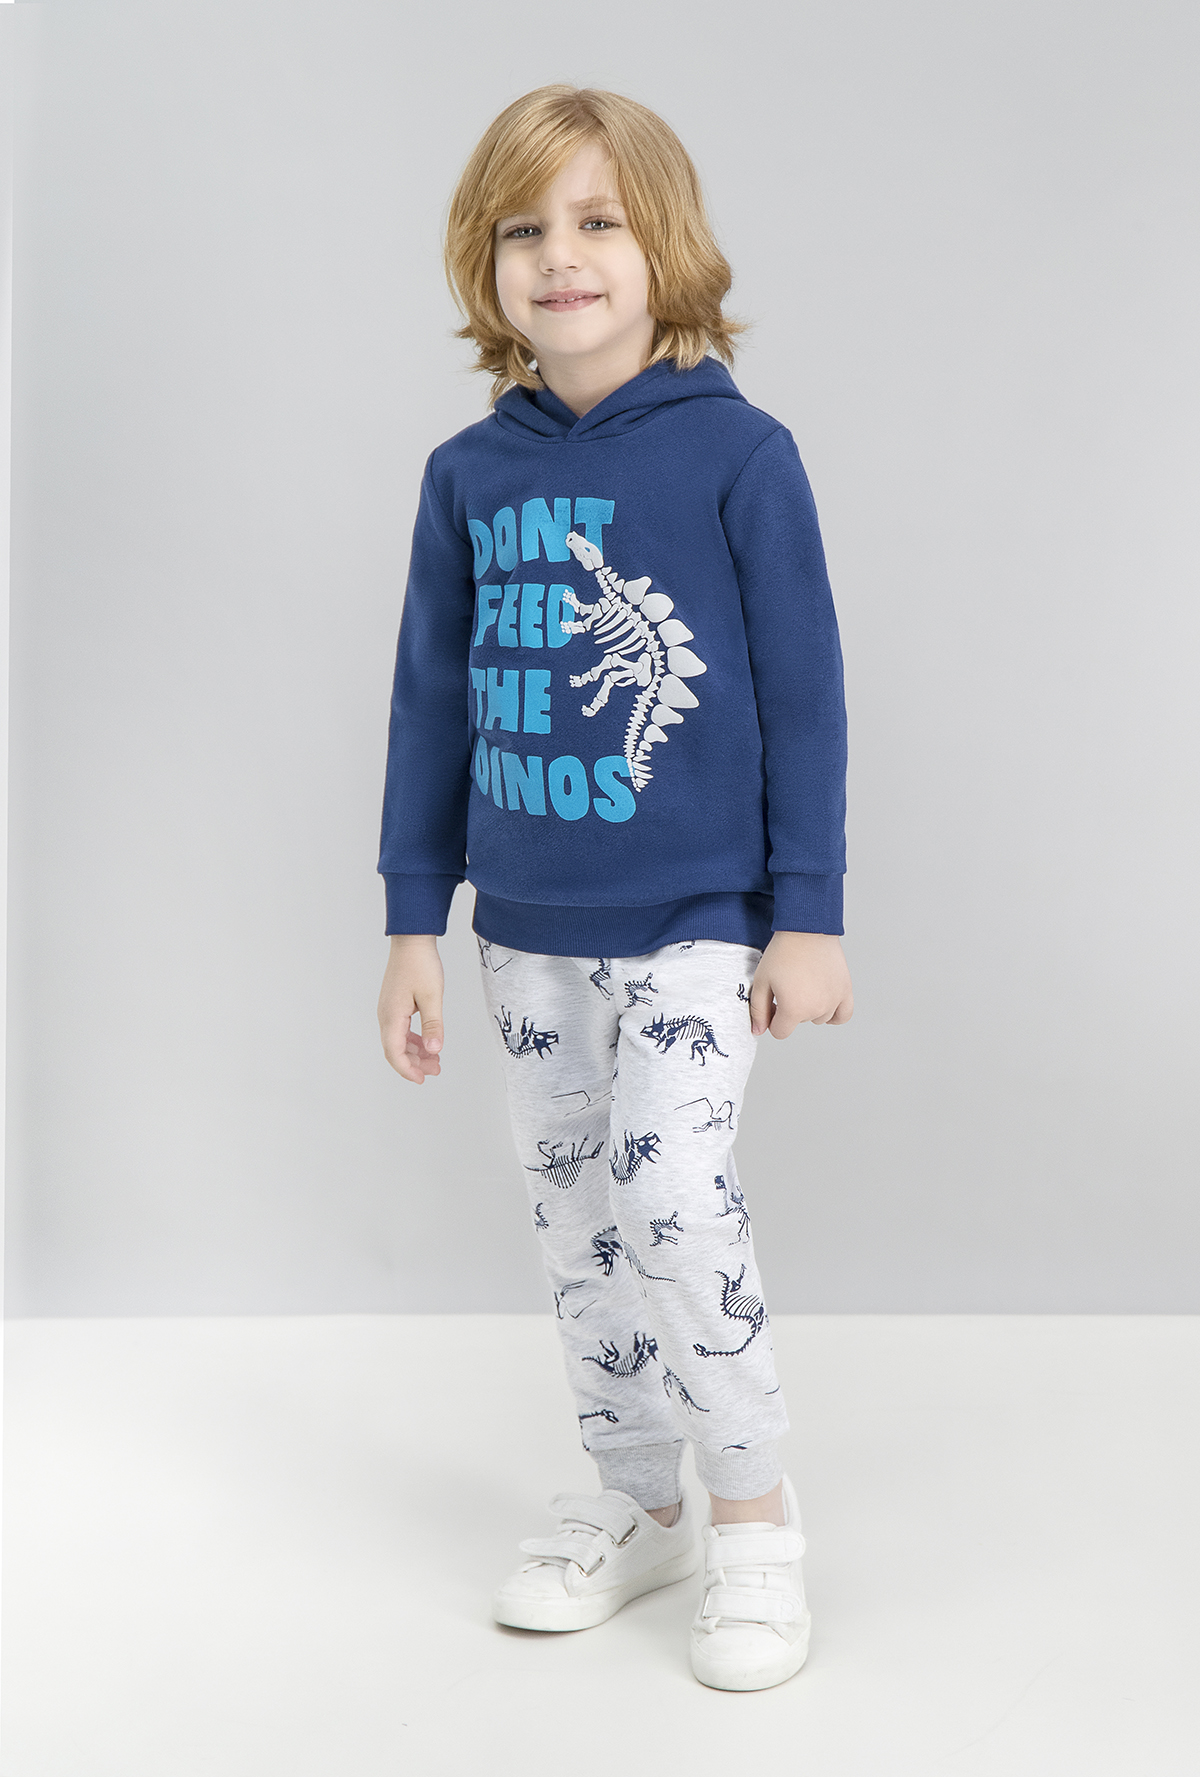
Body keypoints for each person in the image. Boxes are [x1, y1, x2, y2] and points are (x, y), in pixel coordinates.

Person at [376, 84, 851, 1693]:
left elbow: (803, 694)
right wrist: (413, 923)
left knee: (671, 1198)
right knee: (578, 1220)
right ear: (485, 261)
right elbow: (430, 705)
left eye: (597, 220)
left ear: (665, 246)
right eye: (524, 228)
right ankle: (641, 1500)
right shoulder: (466, 474)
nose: (559, 255)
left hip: (699, 919)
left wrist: (810, 913)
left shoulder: (740, 453)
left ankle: (756, 1515)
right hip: (523, 930)